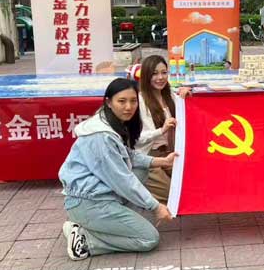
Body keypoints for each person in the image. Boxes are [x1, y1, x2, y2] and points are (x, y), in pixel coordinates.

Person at [59, 78, 176, 260]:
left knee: (142, 168)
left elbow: (129, 155)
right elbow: (122, 179)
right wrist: (155, 206)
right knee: (148, 238)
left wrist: (161, 161)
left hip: (98, 194)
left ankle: (99, 222)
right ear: (109, 102)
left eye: (133, 101)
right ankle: (85, 239)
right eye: (122, 101)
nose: (128, 107)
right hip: (89, 201)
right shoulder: (101, 136)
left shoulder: (110, 123)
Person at [136, 55, 178, 204]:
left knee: (187, 185)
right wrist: (161, 130)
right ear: (146, 75)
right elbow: (136, 138)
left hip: (171, 153)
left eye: (164, 72)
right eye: (154, 73)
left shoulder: (171, 96)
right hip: (150, 156)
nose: (160, 77)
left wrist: (186, 95)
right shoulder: (139, 100)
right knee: (171, 194)